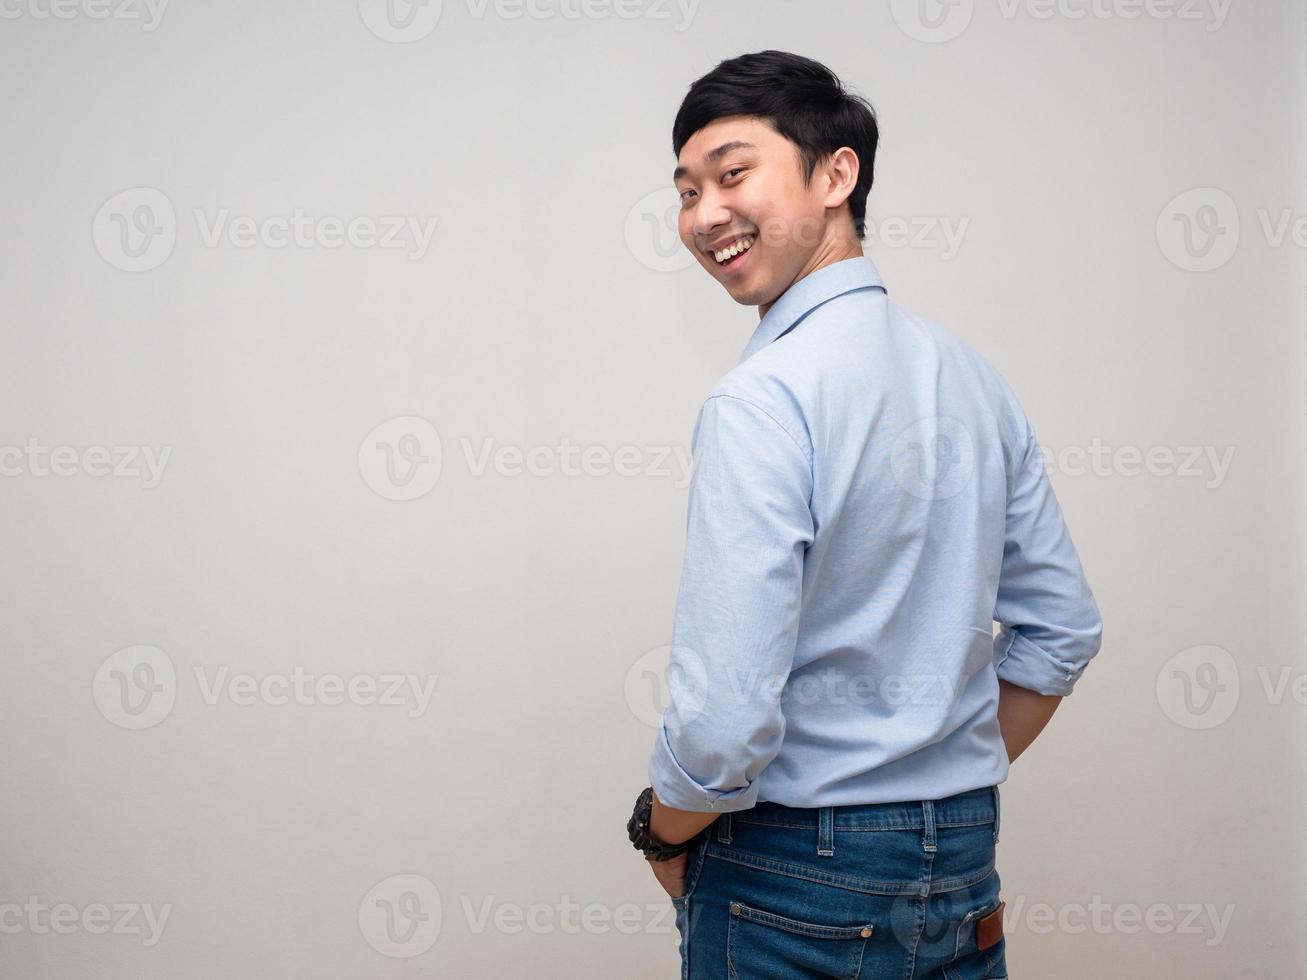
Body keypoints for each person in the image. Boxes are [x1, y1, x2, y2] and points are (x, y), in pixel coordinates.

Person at [624, 50, 1104, 978]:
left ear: (835, 173)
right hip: (961, 862)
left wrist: (660, 829)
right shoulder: (970, 379)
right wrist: (924, 779)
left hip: (788, 870)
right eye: (685, 191)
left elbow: (723, 721)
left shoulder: (760, 400)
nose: (703, 214)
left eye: (732, 173)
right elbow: (1063, 631)